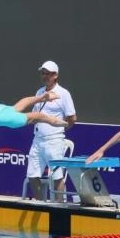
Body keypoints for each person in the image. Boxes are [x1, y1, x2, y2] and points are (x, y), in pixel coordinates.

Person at [26, 60, 76, 201]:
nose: (45, 76)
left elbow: (72, 117)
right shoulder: (39, 92)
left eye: (48, 73)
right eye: (43, 73)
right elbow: (35, 114)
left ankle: (59, 206)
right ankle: (40, 204)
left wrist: (59, 130)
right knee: (32, 175)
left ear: (55, 75)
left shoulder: (64, 93)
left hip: (54, 141)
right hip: (37, 140)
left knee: (57, 176)